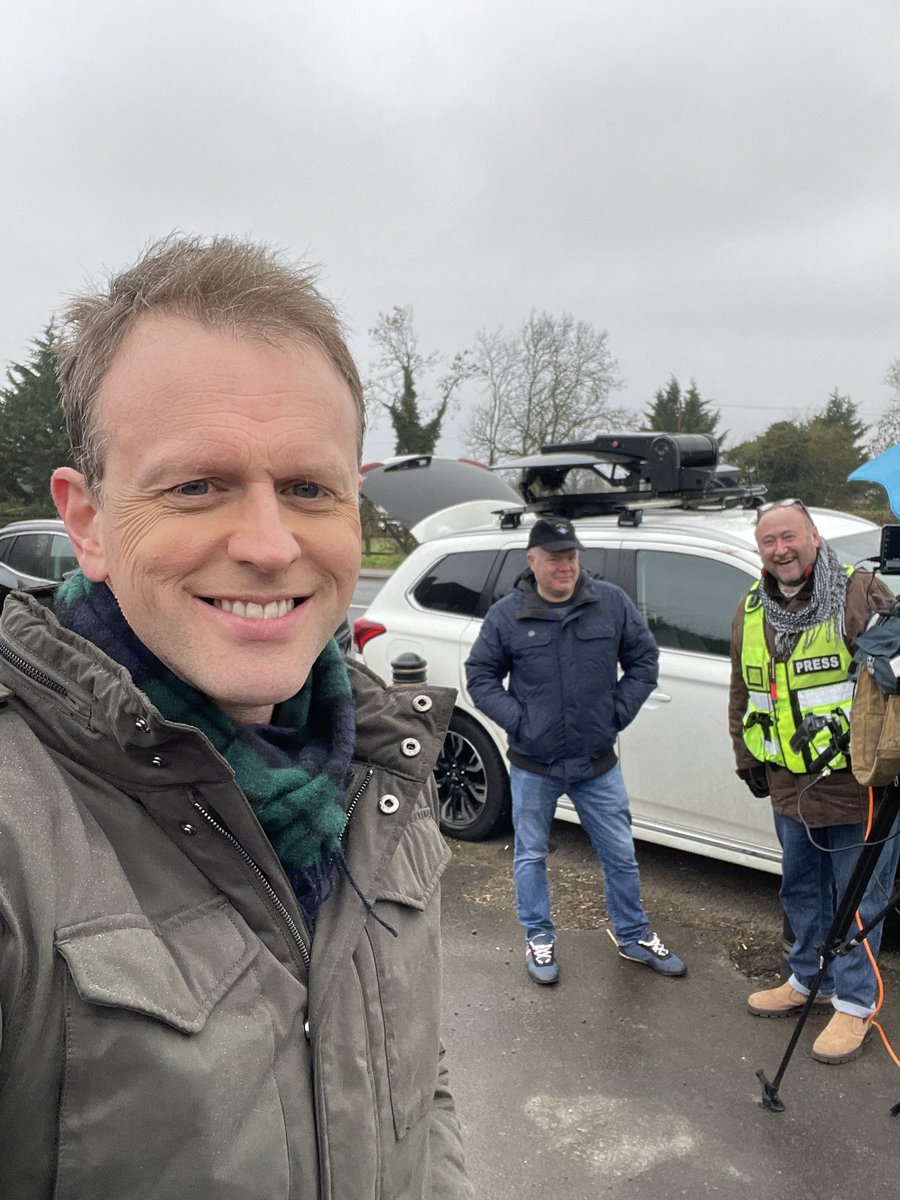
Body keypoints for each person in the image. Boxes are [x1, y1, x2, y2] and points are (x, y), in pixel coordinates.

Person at [0, 235, 471, 1199]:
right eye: (196, 486)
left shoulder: (379, 766)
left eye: (307, 489)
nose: (268, 545)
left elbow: (416, 1076)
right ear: (87, 522)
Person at [464, 516, 686, 984]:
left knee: (620, 853)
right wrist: (520, 721)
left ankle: (633, 934)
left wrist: (615, 713)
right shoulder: (507, 615)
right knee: (530, 855)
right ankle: (538, 938)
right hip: (534, 764)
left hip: (596, 762)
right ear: (532, 561)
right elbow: (480, 676)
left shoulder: (610, 603)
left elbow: (644, 660)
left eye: (570, 556)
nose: (564, 566)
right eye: (554, 558)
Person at [729, 497, 900, 1064]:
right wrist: (747, 760)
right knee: (800, 889)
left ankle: (854, 1003)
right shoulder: (751, 608)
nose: (781, 549)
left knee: (858, 899)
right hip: (788, 783)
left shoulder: (859, 593)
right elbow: (742, 689)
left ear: (814, 537)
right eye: (769, 541)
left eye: (790, 537)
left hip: (858, 784)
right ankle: (808, 979)